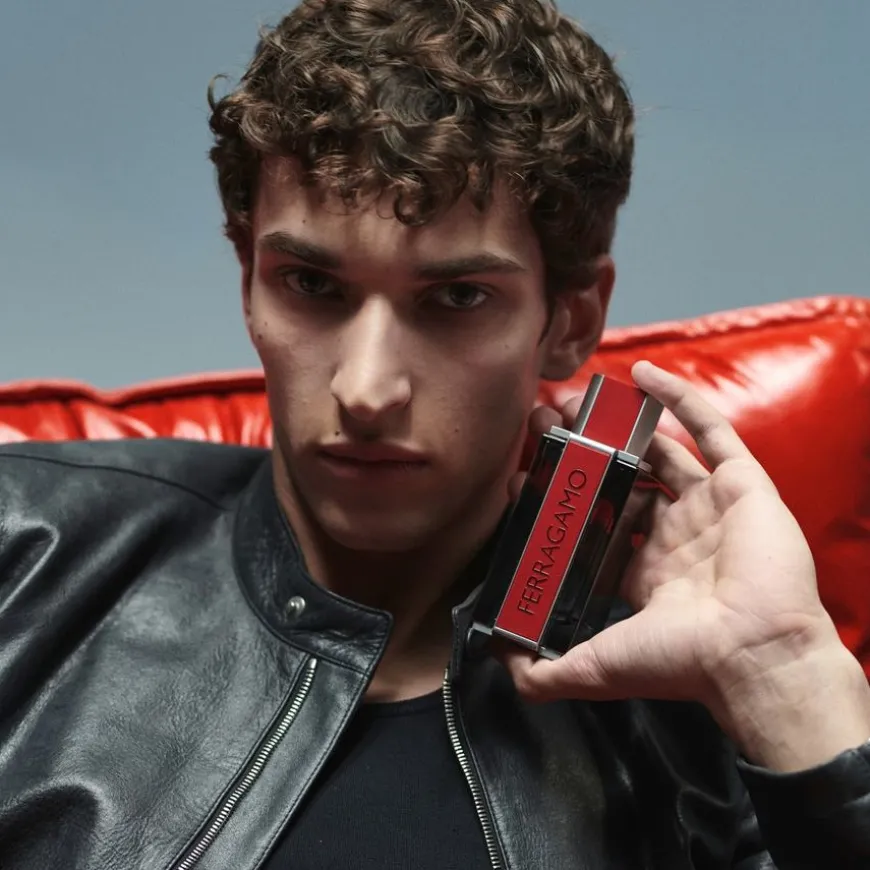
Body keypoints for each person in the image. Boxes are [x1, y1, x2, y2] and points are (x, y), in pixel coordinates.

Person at [1, 0, 869, 867]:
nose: (366, 390)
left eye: (456, 298)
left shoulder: (693, 711)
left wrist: (784, 677)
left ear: (570, 322)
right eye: (310, 284)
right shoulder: (26, 550)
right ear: (247, 283)